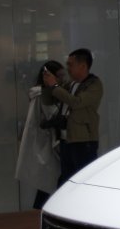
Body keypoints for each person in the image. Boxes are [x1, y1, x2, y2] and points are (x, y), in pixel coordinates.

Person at [42, 48, 103, 185]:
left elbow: (76, 102)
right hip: (67, 139)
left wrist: (55, 86)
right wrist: (48, 86)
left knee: (83, 180)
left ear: (83, 66)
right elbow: (49, 100)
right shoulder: (71, 84)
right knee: (67, 180)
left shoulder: (94, 84)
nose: (67, 68)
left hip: (83, 141)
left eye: (70, 64)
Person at [16, 61, 65, 208]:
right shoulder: (43, 95)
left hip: (49, 142)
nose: (63, 78)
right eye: (60, 75)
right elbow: (51, 115)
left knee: (48, 183)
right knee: (50, 181)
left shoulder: (42, 93)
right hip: (48, 143)